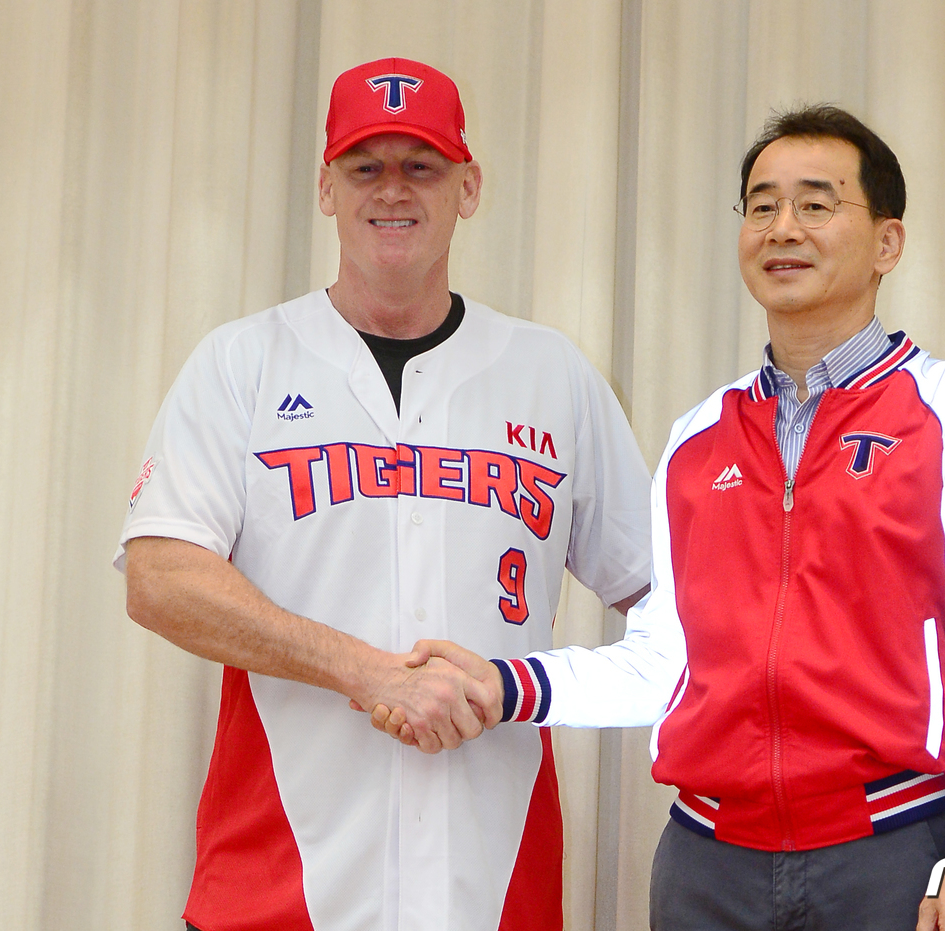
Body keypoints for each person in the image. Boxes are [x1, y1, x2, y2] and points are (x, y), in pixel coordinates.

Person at [381, 105, 945, 931]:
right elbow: (664, 663)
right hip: (706, 866)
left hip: (892, 850)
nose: (784, 228)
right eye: (762, 205)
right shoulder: (699, 437)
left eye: (816, 204)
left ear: (887, 242)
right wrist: (501, 684)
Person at [116, 57, 652, 931]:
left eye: (422, 166)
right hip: (277, 888)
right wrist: (363, 670)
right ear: (326, 188)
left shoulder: (551, 373)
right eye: (365, 166)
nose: (392, 190)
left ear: (468, 187)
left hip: (493, 887)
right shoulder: (243, 362)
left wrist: (526, 686)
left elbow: (666, 603)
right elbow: (160, 577)